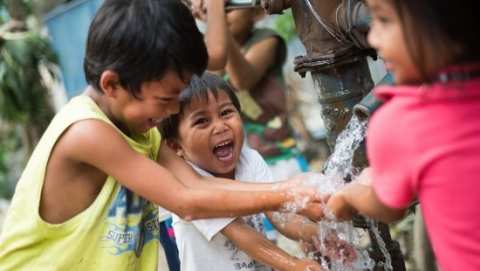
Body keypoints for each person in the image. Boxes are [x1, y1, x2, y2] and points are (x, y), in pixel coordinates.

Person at [0, 0, 328, 270]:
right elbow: (186, 201)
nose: (173, 111)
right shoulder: (87, 133)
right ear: (112, 84)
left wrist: (213, 6)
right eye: (166, 100)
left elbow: (196, 184)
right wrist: (288, 192)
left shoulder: (138, 124)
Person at [325, 1, 480, 271]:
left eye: (384, 20)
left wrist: (349, 195)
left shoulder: (405, 120)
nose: (373, 37)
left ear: (442, 23)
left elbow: (389, 207)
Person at [158, 72, 354, 271]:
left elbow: (280, 215)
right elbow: (242, 234)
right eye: (201, 121)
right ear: (175, 146)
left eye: (225, 113)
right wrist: (292, 264)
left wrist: (318, 235)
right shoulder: (191, 186)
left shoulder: (251, 160)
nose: (220, 126)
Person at [193, 1, 309, 242]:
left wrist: (218, 24)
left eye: (228, 6)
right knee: (261, 234)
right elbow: (210, 82)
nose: (222, 12)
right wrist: (213, 28)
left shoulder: (268, 39)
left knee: (301, 225)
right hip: (243, 162)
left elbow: (242, 78)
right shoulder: (218, 52)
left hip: (280, 156)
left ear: (257, 12)